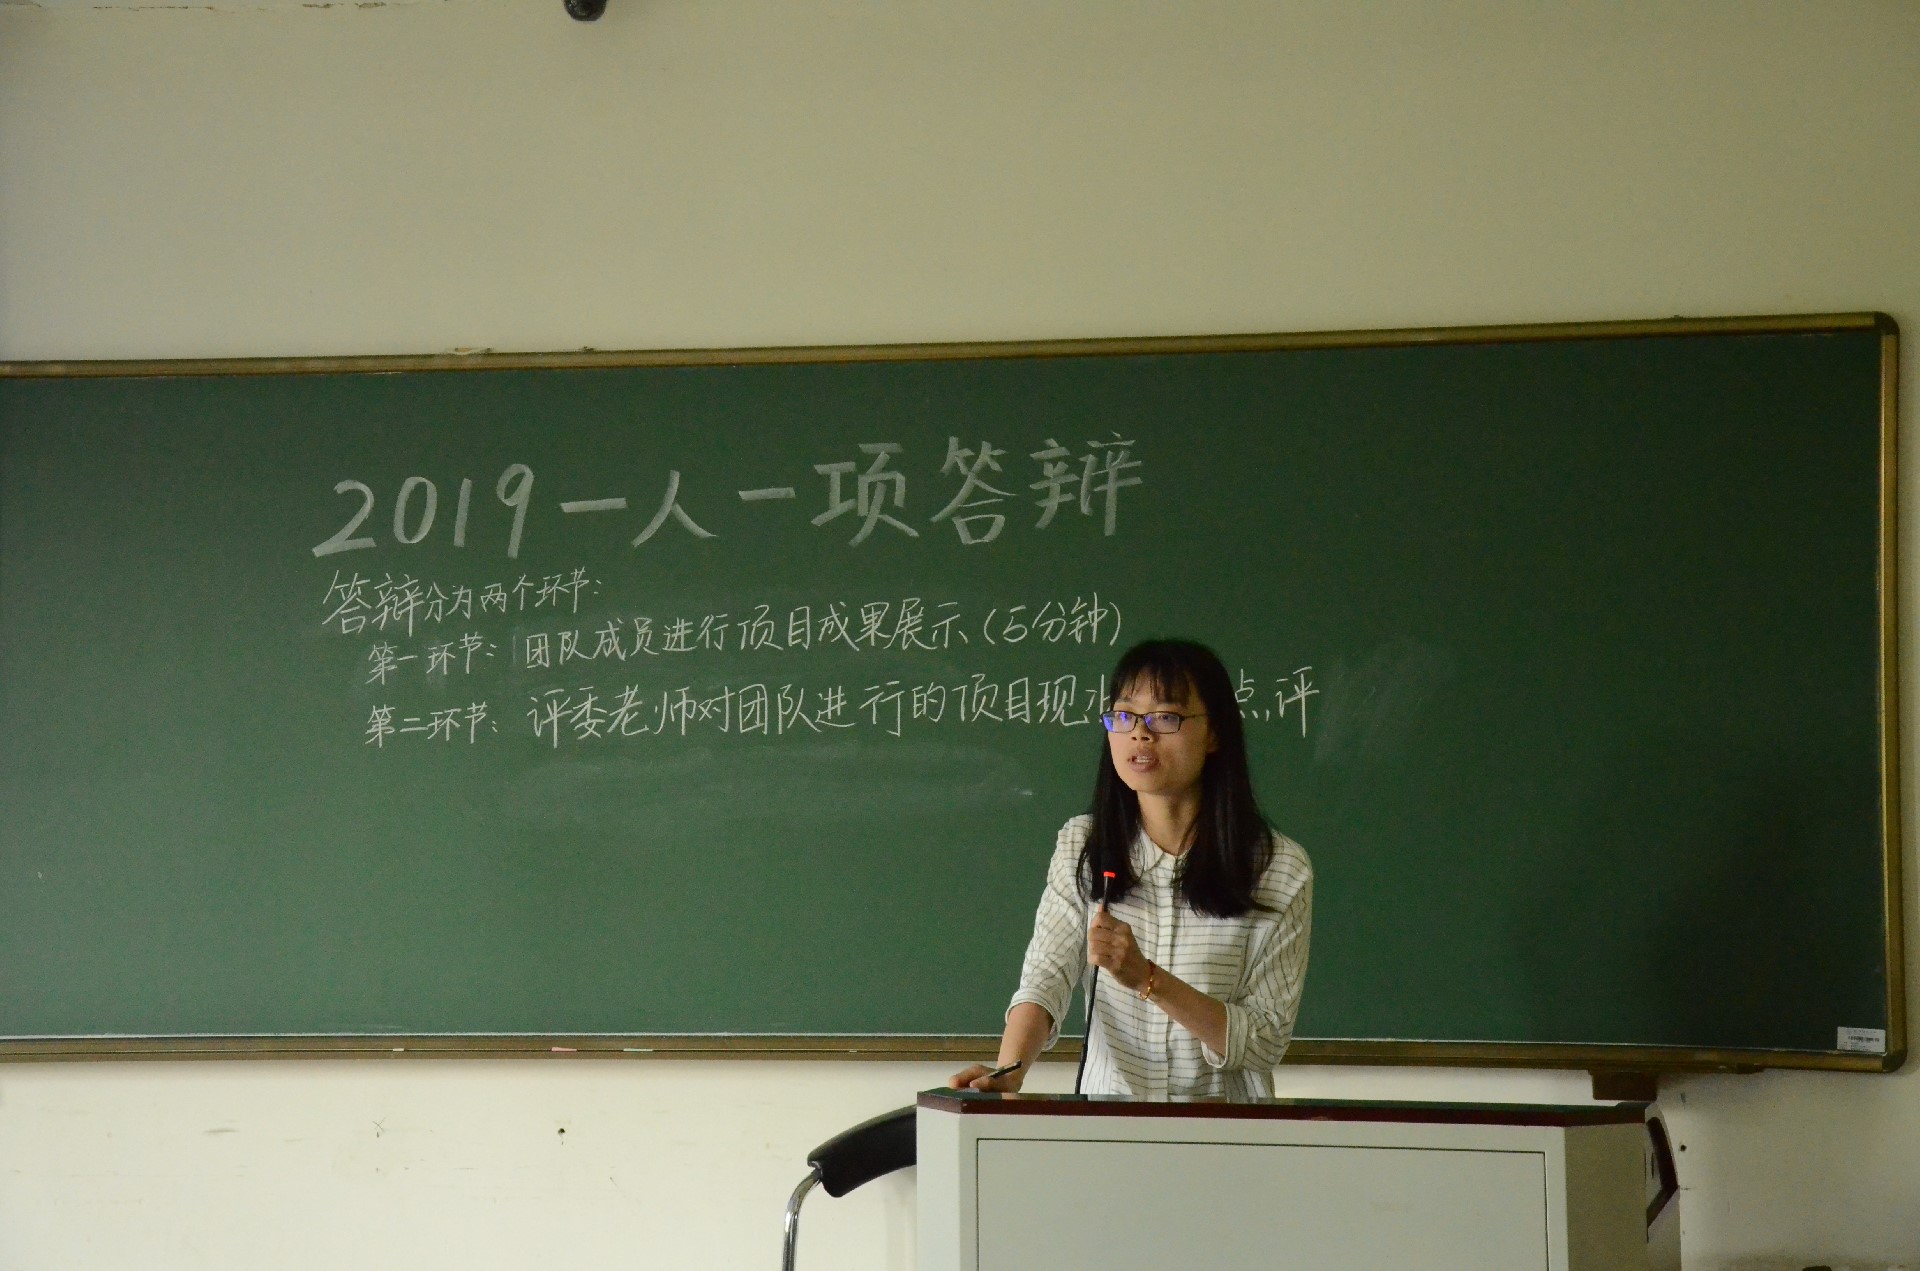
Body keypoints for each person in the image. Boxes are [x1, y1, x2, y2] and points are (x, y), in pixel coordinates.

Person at [949, 639, 1312, 1100]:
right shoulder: (1083, 845)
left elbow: (1264, 1040)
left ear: (1215, 733)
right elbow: (1046, 978)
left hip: (1224, 1129)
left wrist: (1147, 979)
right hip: (1107, 1125)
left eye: (1165, 717)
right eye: (1124, 715)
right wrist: (1010, 1070)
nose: (1140, 734)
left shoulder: (1278, 867)